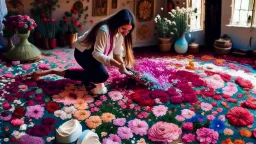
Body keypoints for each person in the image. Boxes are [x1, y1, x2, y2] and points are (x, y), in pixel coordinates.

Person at [24, 9, 135, 94]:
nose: (126, 33)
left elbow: (117, 53)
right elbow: (97, 54)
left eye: (128, 30)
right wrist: (118, 65)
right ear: (117, 24)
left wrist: (122, 65)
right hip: (83, 53)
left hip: (94, 54)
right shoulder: (104, 30)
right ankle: (53, 71)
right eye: (124, 29)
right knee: (102, 76)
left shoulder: (120, 33)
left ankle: (88, 75)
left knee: (96, 75)